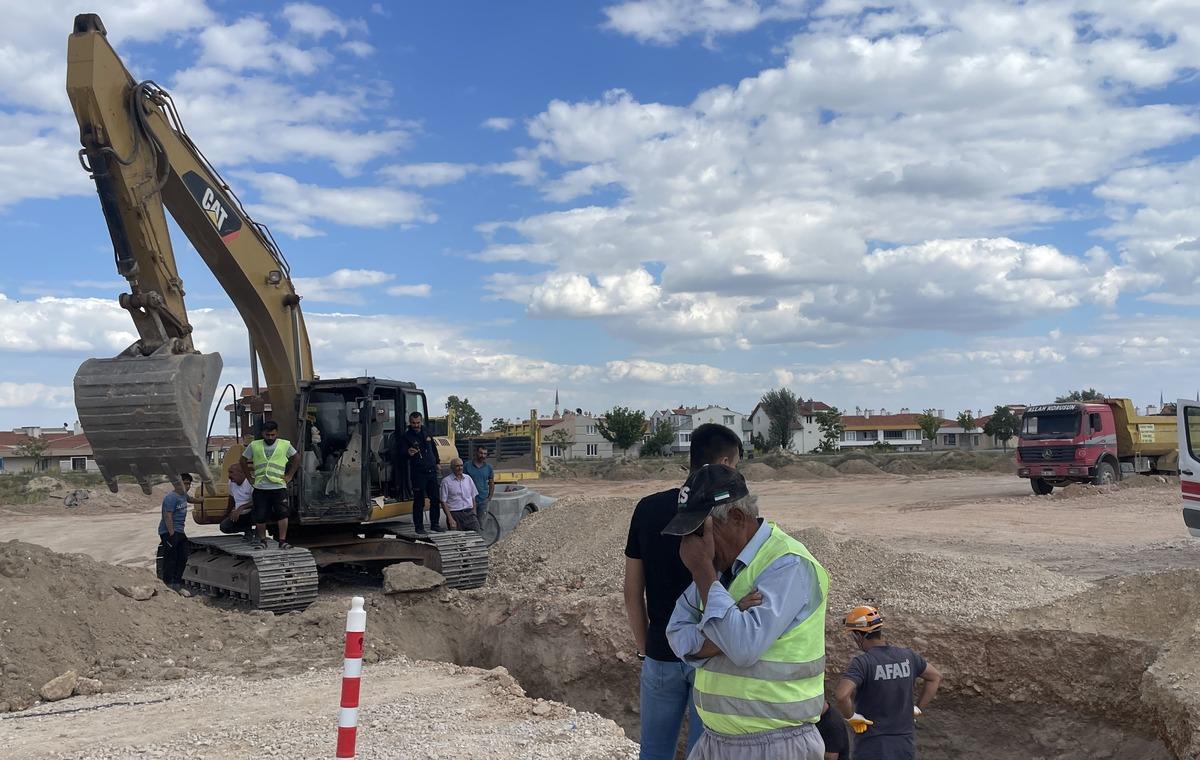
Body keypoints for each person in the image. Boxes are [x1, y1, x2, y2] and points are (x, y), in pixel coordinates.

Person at [665, 464, 830, 760]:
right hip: (715, 741)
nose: (693, 546)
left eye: (700, 533)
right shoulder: (722, 574)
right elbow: (676, 635)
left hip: (776, 745)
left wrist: (703, 572)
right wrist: (730, 619)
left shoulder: (787, 565)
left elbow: (742, 647)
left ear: (736, 518)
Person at [623, 423, 744, 760]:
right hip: (711, 654)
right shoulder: (729, 516)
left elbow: (632, 589)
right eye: (735, 465)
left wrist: (646, 647)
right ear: (723, 462)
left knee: (654, 751)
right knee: (704, 752)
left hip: (661, 651)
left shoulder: (647, 509)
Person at [834, 606, 942, 760]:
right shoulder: (908, 657)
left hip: (872, 746)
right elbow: (935, 677)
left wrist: (851, 717)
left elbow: (841, 695)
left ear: (859, 635)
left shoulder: (863, 662)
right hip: (904, 744)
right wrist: (917, 708)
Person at [241, 420, 299, 550]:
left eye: (273, 435)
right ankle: (263, 541)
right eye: (267, 435)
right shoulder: (254, 445)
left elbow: (296, 458)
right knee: (260, 515)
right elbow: (242, 460)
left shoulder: (285, 444)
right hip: (261, 486)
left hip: (278, 486)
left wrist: (289, 475)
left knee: (283, 513)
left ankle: (282, 541)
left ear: (277, 433)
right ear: (263, 434)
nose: (270, 438)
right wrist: (249, 477)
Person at [397, 411, 441, 534]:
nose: (416, 425)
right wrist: (407, 452)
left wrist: (437, 462)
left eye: (418, 423)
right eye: (413, 423)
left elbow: (433, 448)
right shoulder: (406, 437)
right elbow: (400, 453)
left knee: (435, 499)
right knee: (419, 501)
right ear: (409, 423)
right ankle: (419, 527)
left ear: (421, 422)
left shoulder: (427, 432)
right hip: (418, 472)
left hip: (431, 470)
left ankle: (435, 524)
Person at [158, 472, 200, 593]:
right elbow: (168, 516)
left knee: (182, 557)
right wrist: (171, 535)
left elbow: (190, 499)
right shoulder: (171, 497)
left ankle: (177, 583)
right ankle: (168, 584)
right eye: (185, 483)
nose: (187, 486)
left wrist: (200, 501)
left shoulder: (183, 495)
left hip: (179, 531)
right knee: (171, 558)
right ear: (177, 483)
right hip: (168, 531)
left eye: (189, 484)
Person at [439, 457, 480, 532]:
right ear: (452, 468)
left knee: (478, 537)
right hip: (455, 514)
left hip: (469, 514)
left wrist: (474, 512)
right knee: (458, 540)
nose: (460, 468)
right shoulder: (446, 482)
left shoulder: (468, 478)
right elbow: (443, 502)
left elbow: (473, 496)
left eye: (461, 465)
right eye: (457, 466)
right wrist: (450, 518)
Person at [218, 461, 255, 540]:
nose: (229, 476)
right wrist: (227, 512)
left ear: (242, 473)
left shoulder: (251, 483)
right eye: (228, 473)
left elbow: (258, 501)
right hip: (239, 514)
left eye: (231, 472)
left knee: (259, 510)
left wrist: (241, 508)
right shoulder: (231, 483)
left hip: (252, 512)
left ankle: (256, 532)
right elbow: (231, 498)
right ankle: (249, 531)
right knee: (224, 527)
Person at [463, 447, 495, 521]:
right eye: (481, 453)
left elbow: (491, 483)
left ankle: (480, 533)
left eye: (485, 454)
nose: (483, 455)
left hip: (483, 500)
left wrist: (489, 497)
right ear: (476, 453)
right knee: (470, 522)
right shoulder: (467, 466)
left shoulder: (489, 467)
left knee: (481, 522)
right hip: (469, 500)